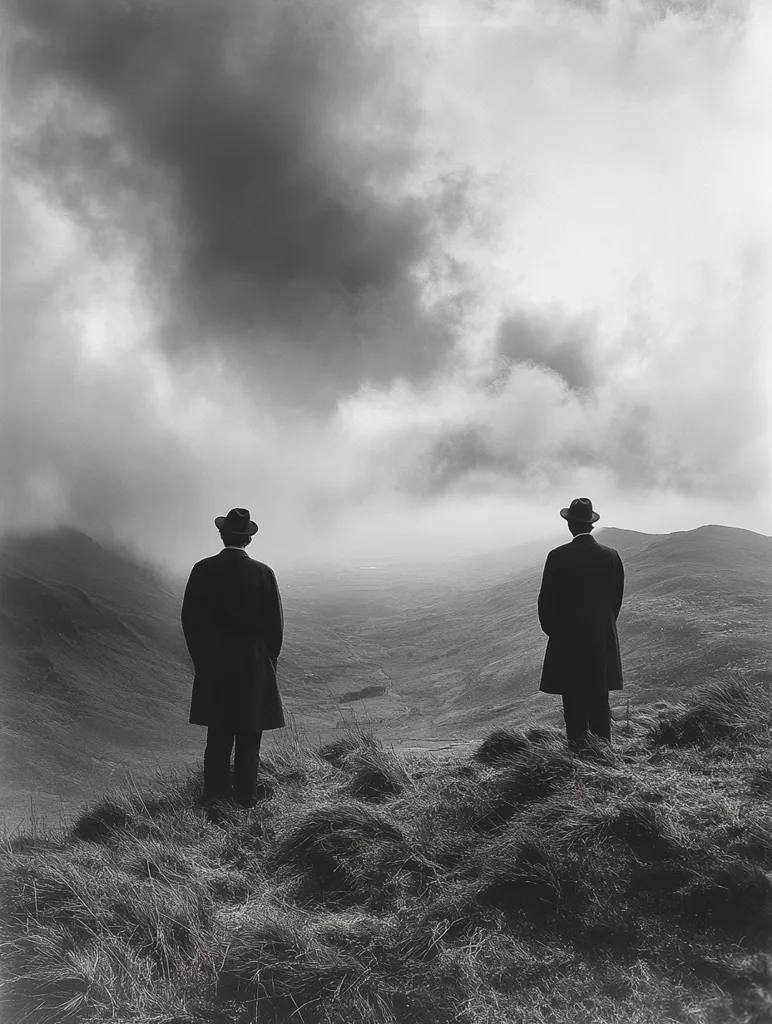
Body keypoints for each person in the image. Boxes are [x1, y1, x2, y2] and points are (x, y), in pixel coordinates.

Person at [181, 507, 285, 805]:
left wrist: (201, 659)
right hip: (253, 666)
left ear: (222, 534)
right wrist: (268, 663)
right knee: (249, 737)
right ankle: (246, 800)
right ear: (248, 541)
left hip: (214, 664)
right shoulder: (264, 573)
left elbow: (190, 620)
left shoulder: (202, 569)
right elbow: (274, 628)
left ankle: (214, 798)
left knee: (218, 736)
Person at [537, 497, 624, 747]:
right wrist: (603, 628)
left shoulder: (558, 556)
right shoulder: (611, 556)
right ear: (591, 525)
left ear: (570, 526)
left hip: (568, 642)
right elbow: (615, 602)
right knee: (599, 701)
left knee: (573, 703)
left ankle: (577, 756)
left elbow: (546, 603)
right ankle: (603, 756)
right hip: (601, 640)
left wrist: (556, 633)